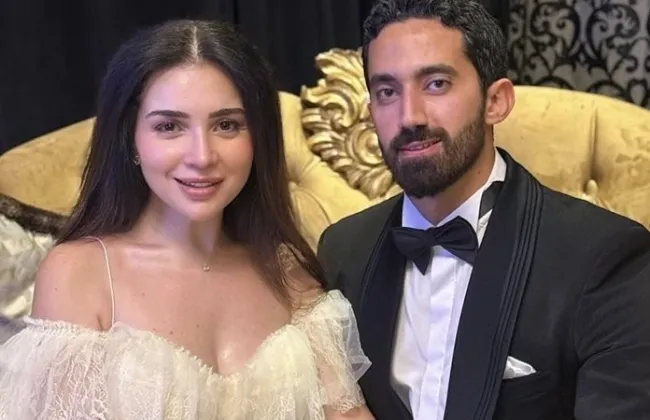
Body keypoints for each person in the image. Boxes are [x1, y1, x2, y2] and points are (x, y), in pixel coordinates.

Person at [0, 19, 375, 420]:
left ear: (258, 138)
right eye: (169, 126)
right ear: (132, 139)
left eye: (226, 125)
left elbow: (348, 415)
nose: (201, 156)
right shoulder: (80, 273)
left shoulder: (289, 271)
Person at [316, 1, 650, 419]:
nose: (409, 116)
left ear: (496, 101)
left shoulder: (605, 258)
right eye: (387, 92)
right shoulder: (342, 251)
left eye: (436, 84)